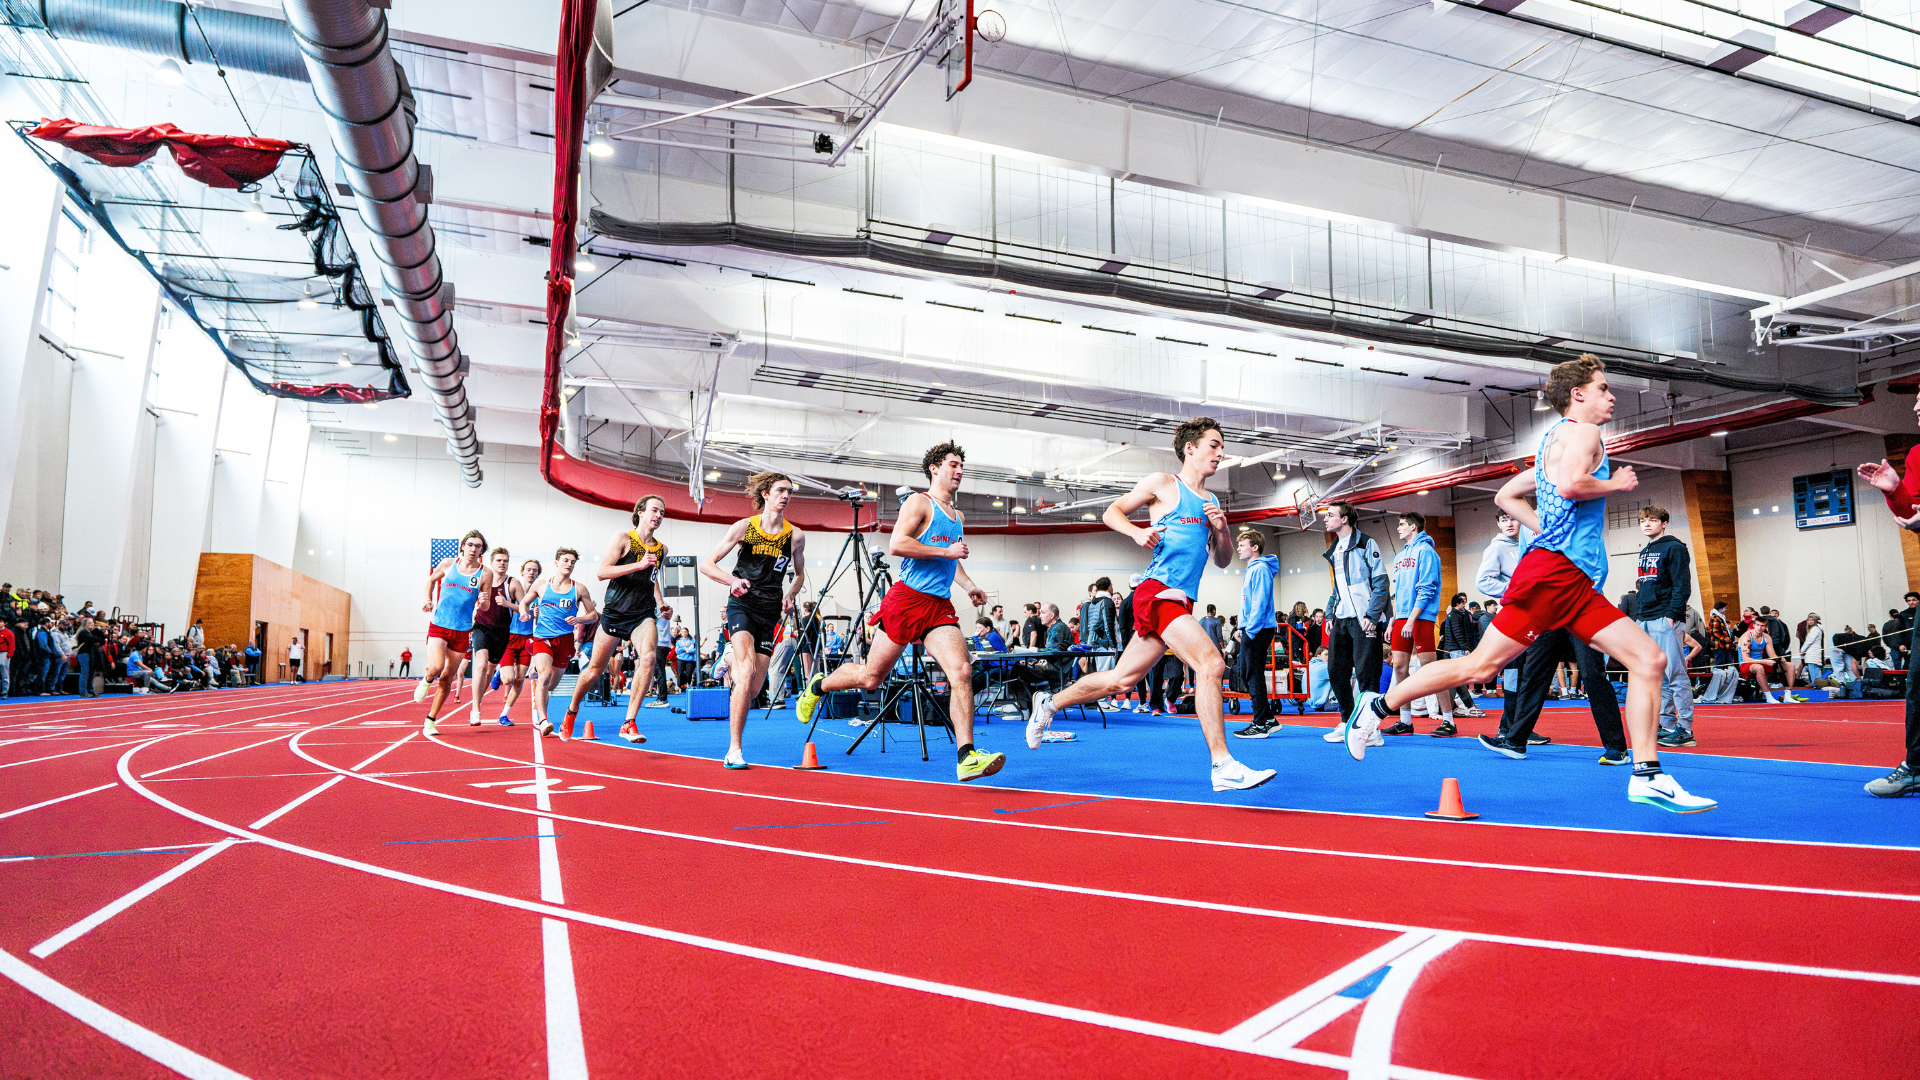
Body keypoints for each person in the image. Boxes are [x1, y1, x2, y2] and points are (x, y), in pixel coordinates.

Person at [1344, 355, 1715, 813]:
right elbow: (1573, 486)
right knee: (1479, 668)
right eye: (1602, 388)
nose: (1611, 396)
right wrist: (1615, 484)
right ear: (1578, 394)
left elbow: (1506, 495)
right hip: (1554, 577)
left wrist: (1547, 530)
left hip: (1571, 580)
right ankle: (1376, 708)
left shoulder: (1552, 441)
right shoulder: (1585, 434)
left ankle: (1647, 776)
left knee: (1649, 659)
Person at [1026, 418, 1275, 791]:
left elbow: (1223, 560)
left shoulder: (1210, 502)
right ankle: (1223, 765)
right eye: (1214, 445)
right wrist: (1136, 531)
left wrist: (1223, 531)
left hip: (1181, 600)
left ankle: (1048, 704)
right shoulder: (1164, 483)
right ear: (1190, 448)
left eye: (1222, 447)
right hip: (1157, 592)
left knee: (1121, 680)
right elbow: (1113, 511)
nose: (1220, 453)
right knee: (1211, 664)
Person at [798, 443, 1005, 781]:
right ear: (934, 468)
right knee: (871, 678)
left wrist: (968, 585)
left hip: (938, 606)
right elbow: (898, 544)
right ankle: (819, 686)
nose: (959, 471)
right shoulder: (919, 503)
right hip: (906, 600)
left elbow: (952, 559)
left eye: (962, 466)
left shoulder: (958, 516)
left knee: (962, 670)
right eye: (953, 464)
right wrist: (946, 551)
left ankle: (966, 756)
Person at [699, 472, 808, 770]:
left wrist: (791, 594)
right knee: (746, 671)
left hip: (770, 610)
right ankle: (734, 750)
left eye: (790, 491)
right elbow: (707, 564)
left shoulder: (795, 536)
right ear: (765, 494)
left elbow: (799, 575)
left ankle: (729, 657)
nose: (786, 496)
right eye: (780, 490)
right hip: (742, 604)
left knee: (754, 689)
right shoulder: (745, 527)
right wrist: (732, 581)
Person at [564, 495, 670, 745]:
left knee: (649, 657)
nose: (659, 516)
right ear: (640, 512)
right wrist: (638, 565)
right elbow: (602, 572)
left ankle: (629, 722)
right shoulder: (623, 538)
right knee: (594, 671)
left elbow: (652, 578)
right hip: (615, 613)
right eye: (654, 510)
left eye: (662, 513)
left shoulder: (662, 549)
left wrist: (661, 603)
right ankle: (571, 711)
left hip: (643, 613)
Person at [1853, 441, 1920, 794]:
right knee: (1918, 681)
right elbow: (1914, 518)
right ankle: (1918, 767)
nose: (1917, 413)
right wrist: (1896, 492)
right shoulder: (1917, 455)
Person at [1319, 501, 1389, 747]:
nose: (1325, 518)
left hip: (1364, 619)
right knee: (1335, 670)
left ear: (1345, 518)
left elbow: (1381, 582)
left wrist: (1372, 615)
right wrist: (1329, 615)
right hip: (1342, 618)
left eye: (1330, 515)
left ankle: (1372, 731)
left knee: (1366, 674)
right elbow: (1338, 589)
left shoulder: (1366, 544)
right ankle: (1347, 721)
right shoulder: (1335, 549)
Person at [415, 529, 495, 734]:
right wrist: (427, 599)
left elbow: (485, 606)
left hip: (462, 629)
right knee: (436, 667)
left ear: (482, 550)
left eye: (478, 546)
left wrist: (484, 601)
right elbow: (430, 581)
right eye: (470, 544)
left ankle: (430, 720)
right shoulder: (448, 564)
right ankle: (427, 679)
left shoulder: (485, 573)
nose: (473, 549)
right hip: (440, 624)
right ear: (463, 546)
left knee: (447, 677)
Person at [1632, 506, 1699, 747]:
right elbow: (1645, 586)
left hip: (1665, 617)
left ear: (1664, 523)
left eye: (1652, 520)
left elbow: (1682, 584)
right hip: (1646, 617)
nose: (1647, 524)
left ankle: (1685, 729)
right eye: (1643, 520)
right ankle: (1668, 725)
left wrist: (1672, 614)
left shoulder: (1674, 547)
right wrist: (1639, 616)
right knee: (1657, 676)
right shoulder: (1645, 550)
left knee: (1676, 674)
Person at [1383, 511, 1453, 737]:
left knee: (1430, 670)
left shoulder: (1427, 552)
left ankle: (1449, 721)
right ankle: (1405, 721)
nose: (1398, 528)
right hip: (1401, 617)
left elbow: (1426, 588)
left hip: (1420, 617)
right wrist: (1392, 621)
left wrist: (1412, 619)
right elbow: (1397, 592)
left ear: (1413, 527)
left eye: (1402, 524)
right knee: (1399, 668)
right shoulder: (1399, 557)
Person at [524, 548, 597, 737]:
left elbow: (593, 615)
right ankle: (543, 720)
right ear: (556, 563)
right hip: (542, 638)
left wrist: (578, 619)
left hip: (565, 640)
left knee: (550, 685)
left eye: (573, 562)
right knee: (544, 676)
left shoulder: (579, 589)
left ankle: (538, 677)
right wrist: (525, 612)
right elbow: (524, 602)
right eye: (566, 560)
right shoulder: (541, 585)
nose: (569, 564)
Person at [1231, 529, 1280, 738]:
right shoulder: (1253, 569)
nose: (1238, 549)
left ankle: (1260, 724)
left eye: (1242, 545)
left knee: (1252, 674)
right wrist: (1242, 627)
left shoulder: (1259, 569)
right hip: (1253, 628)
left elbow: (1260, 602)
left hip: (1257, 629)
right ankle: (1268, 718)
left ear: (1255, 547)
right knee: (1248, 673)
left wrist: (1250, 629)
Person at [465, 547, 514, 726]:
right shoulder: (481, 579)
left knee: (489, 670)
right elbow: (467, 598)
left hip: (501, 633)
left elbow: (523, 607)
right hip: (481, 627)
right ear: (491, 563)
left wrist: (509, 604)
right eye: (499, 560)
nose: (502, 563)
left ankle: (478, 701)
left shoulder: (512, 584)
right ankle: (475, 709)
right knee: (481, 665)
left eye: (505, 561)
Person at [492, 558, 541, 725]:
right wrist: (508, 604)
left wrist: (538, 614)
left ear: (538, 574)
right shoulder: (513, 589)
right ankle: (499, 671)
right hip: (510, 636)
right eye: (528, 570)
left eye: (535, 570)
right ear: (523, 572)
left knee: (520, 680)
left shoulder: (539, 594)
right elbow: (515, 607)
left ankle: (504, 715)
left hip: (527, 638)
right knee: (508, 679)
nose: (531, 573)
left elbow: (539, 616)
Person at [1737, 621, 1781, 704]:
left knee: (1789, 665)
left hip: (1759, 662)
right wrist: (1765, 661)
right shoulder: (1747, 637)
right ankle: (1768, 695)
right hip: (1746, 664)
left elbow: (1772, 655)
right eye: (1758, 625)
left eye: (1762, 626)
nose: (1760, 628)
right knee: (1759, 667)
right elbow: (1746, 659)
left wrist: (1780, 659)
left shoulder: (1766, 637)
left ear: (1766, 627)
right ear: (1754, 625)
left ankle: (1788, 694)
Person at [0, 618, 12, 699]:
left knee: (4, 669)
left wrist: (9, 654)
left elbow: (11, 644)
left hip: (4, 652)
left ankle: (5, 690)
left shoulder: (8, 632)